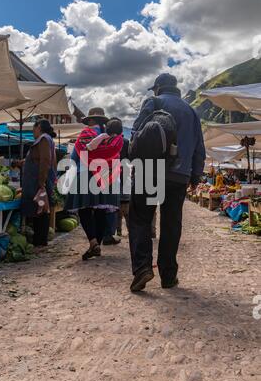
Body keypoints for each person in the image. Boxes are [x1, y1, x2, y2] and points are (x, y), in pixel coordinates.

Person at [129, 73, 206, 292]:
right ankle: (168, 276)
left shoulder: (154, 102)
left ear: (158, 88)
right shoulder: (192, 111)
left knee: (140, 219)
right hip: (179, 176)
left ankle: (143, 268)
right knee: (172, 224)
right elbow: (199, 147)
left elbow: (136, 132)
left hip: (149, 171)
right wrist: (195, 176)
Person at [65, 108, 123, 261]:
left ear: (91, 121)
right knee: (101, 210)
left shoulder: (86, 134)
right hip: (105, 175)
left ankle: (93, 241)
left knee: (84, 209)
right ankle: (96, 244)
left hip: (86, 174)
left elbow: (75, 157)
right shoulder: (111, 137)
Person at [21, 119, 57, 248]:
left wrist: (41, 182)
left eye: (33, 129)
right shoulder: (47, 139)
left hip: (38, 182)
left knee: (40, 210)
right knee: (40, 209)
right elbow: (39, 159)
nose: (32, 132)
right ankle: (40, 240)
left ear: (39, 127)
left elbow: (45, 160)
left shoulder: (43, 139)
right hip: (39, 181)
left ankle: (40, 241)